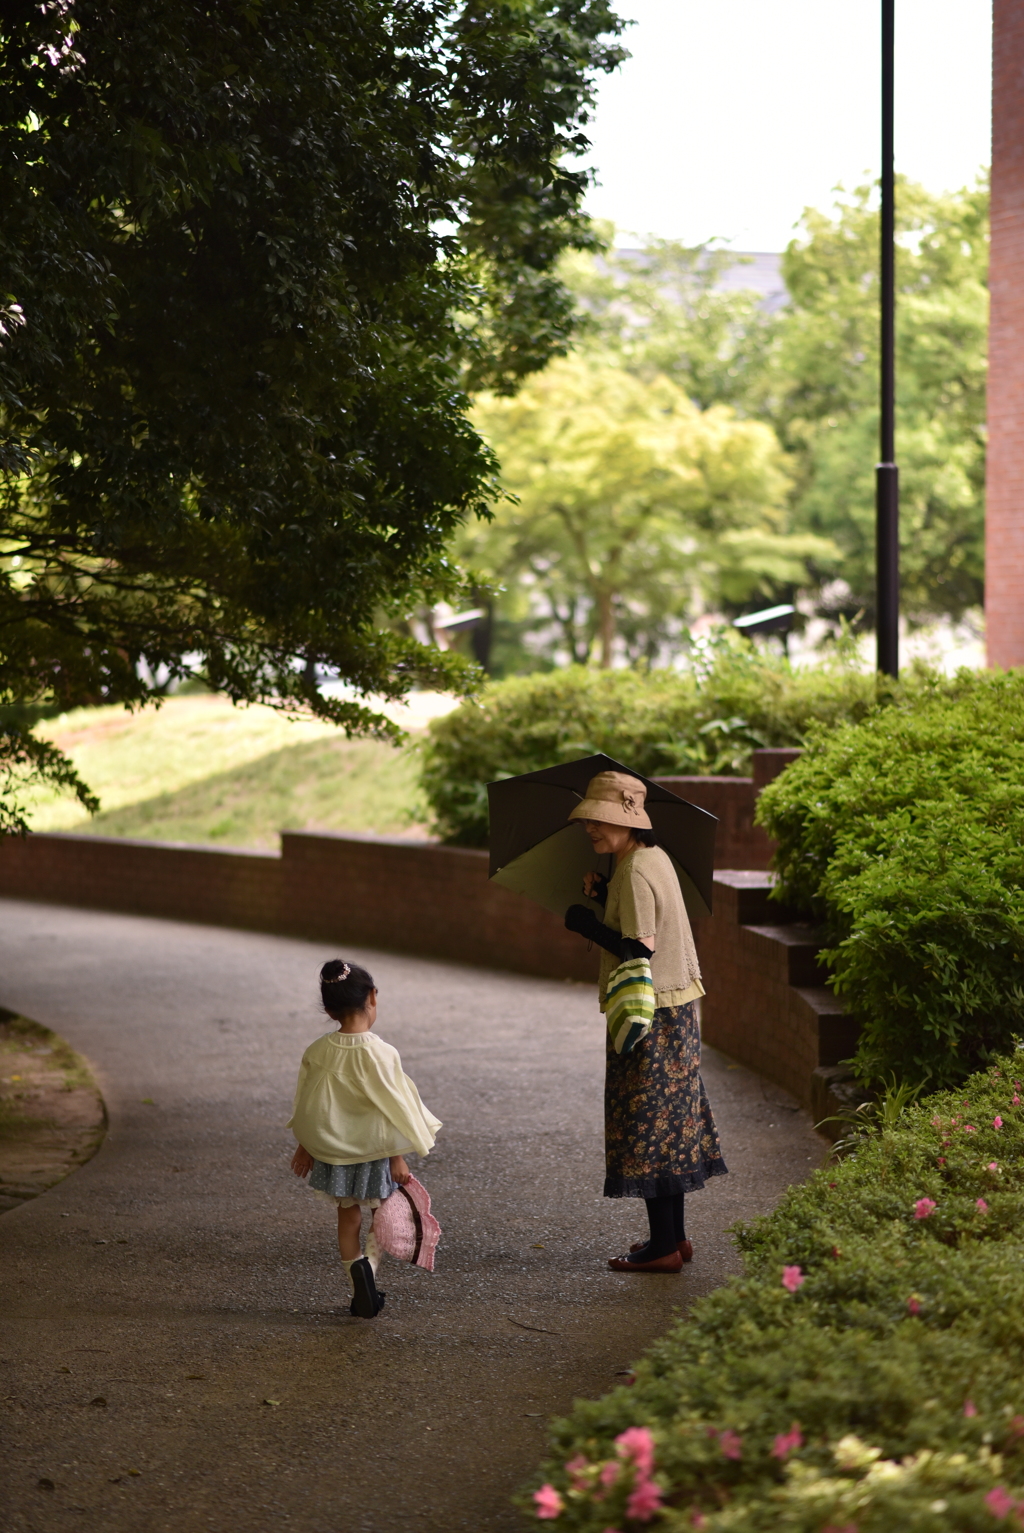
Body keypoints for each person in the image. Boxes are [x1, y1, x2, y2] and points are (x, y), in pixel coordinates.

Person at [563, 770, 727, 1273]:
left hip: (647, 1011)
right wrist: (602, 897)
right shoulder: (650, 859)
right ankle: (673, 1240)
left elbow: (637, 949)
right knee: (670, 1123)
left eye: (601, 819)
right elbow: (646, 921)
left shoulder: (633, 872)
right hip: (676, 1007)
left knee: (648, 1125)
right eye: (588, 818)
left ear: (628, 820)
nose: (591, 827)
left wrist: (586, 923)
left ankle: (661, 1250)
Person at [288, 959, 442, 1317]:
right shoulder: (381, 1053)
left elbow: (308, 1105)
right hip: (375, 1153)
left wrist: (305, 1146)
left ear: (328, 1010)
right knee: (382, 1212)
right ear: (373, 996)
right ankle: (368, 1271)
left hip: (334, 1154)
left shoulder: (318, 1052)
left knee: (348, 1218)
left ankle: (357, 1276)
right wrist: (398, 1156)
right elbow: (396, 1108)